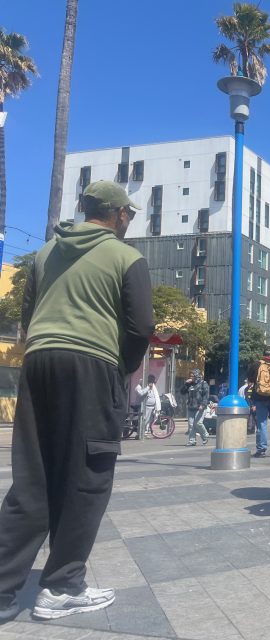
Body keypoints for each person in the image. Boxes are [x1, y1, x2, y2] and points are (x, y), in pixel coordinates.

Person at [0, 180, 153, 621]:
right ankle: (63, 586)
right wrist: (119, 369)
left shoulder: (46, 253)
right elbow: (141, 326)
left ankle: (2, 588)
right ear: (119, 214)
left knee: (34, 475)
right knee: (88, 473)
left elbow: (29, 314)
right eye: (130, 215)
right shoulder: (126, 257)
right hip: (91, 365)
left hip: (40, 360)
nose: (130, 222)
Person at [247, 346, 270, 457]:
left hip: (259, 397)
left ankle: (261, 449)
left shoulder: (256, 365)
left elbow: (250, 378)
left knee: (261, 424)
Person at [181, 369, 209, 446]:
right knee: (191, 425)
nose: (191, 378)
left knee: (198, 423)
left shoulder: (203, 384)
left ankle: (205, 435)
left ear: (197, 376)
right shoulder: (190, 384)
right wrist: (186, 384)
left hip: (200, 407)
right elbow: (182, 392)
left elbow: (206, 396)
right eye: (190, 376)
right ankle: (192, 440)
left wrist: (203, 405)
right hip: (191, 406)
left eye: (192, 376)